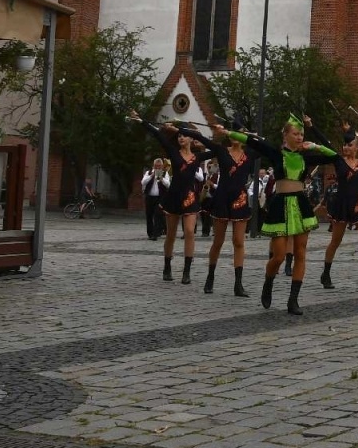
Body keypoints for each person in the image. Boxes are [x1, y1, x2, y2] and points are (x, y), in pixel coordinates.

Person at [229, 116, 335, 314]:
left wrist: (315, 144)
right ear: (285, 136)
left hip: (301, 205)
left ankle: (293, 300)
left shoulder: (305, 157)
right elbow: (251, 141)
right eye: (295, 133)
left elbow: (333, 155)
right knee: (278, 256)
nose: (299, 136)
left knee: (300, 253)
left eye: (301, 134)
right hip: (280, 204)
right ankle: (268, 282)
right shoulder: (277, 154)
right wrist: (227, 133)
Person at [132, 113, 205, 283]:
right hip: (173, 197)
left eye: (184, 135)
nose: (180, 138)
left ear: (190, 138)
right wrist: (142, 120)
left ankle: (186, 271)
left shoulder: (198, 157)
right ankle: (167, 266)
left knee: (189, 232)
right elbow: (158, 134)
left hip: (190, 198)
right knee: (171, 234)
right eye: (179, 135)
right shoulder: (173, 152)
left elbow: (215, 148)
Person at [319, 125, 358, 290]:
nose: (346, 148)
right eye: (345, 145)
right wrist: (312, 126)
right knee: (336, 241)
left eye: (350, 145)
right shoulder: (338, 160)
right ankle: (326, 273)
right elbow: (325, 144)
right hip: (341, 203)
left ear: (357, 147)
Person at [202, 125, 255, 297]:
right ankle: (210, 277)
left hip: (240, 200)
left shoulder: (250, 154)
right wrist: (219, 131)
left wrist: (251, 137)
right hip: (222, 198)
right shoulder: (222, 150)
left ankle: (238, 284)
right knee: (218, 241)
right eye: (232, 132)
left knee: (239, 241)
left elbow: (268, 146)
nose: (234, 136)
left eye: (238, 132)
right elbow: (202, 140)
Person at [141, 158, 171, 240]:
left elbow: (168, 185)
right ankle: (150, 233)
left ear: (162, 166)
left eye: (159, 166)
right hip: (149, 197)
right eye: (156, 166)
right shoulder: (149, 172)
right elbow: (143, 182)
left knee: (158, 215)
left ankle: (156, 234)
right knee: (149, 215)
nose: (158, 168)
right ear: (153, 166)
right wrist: (151, 176)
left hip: (160, 198)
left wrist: (162, 179)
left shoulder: (165, 173)